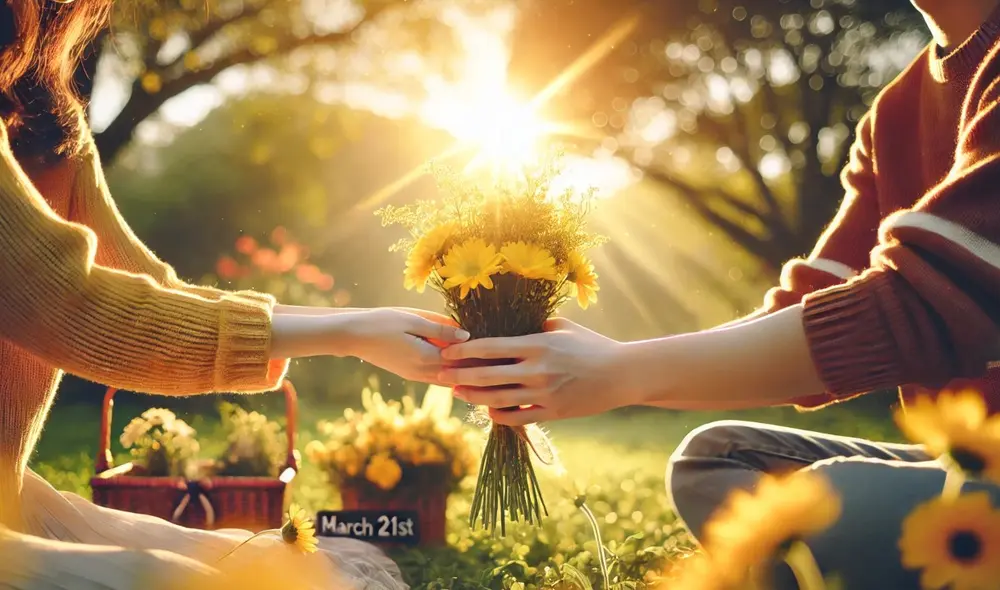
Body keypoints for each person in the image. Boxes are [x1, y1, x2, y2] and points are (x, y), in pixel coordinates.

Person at [440, 0, 1000, 587]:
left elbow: (920, 305)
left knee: (833, 495)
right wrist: (607, 364)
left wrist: (623, 372)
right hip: (963, 463)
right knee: (713, 461)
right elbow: (811, 301)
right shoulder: (895, 111)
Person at [0, 0, 468, 587]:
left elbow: (153, 290)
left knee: (298, 567)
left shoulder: (52, 121)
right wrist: (350, 334)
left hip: (12, 500)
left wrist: (360, 323)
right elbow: (72, 303)